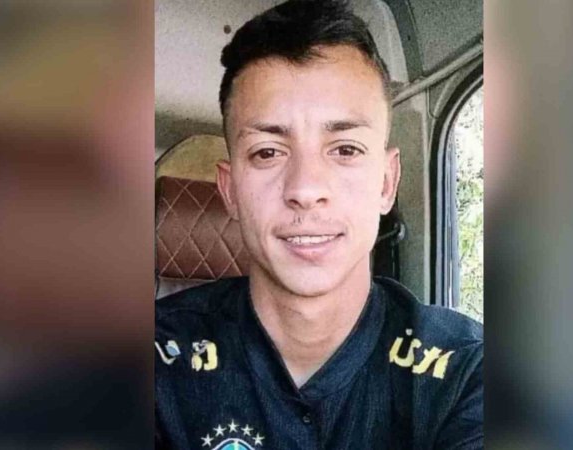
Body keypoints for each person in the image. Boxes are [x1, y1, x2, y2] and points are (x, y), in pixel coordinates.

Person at [155, 1, 483, 448]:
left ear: (386, 183)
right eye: (268, 152)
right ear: (229, 191)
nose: (305, 189)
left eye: (345, 149)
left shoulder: (467, 375)